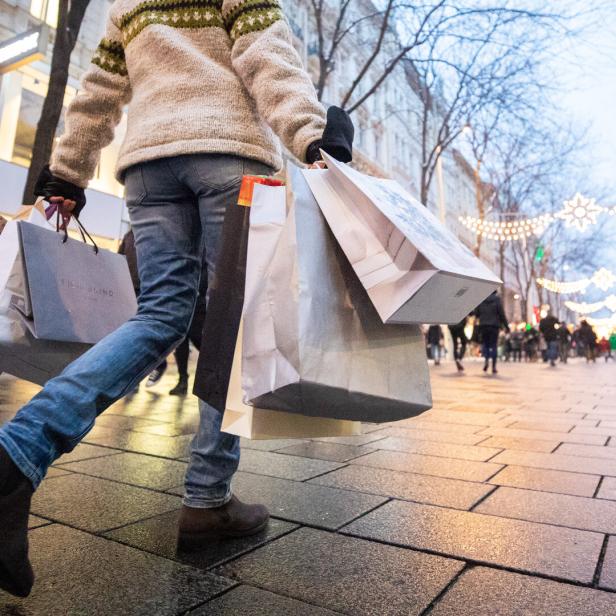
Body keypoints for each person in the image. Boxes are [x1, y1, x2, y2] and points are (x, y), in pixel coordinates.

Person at [0, 0, 354, 598]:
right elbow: (265, 56)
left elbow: (99, 89)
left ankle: (17, 451)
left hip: (148, 167)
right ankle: (208, 496)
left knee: (159, 315)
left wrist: (67, 173)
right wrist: (310, 137)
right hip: (229, 154)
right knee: (234, 324)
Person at [473, 291, 509, 374]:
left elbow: (476, 313)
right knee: (493, 345)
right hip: (494, 326)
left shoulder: (481, 299)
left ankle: (486, 361)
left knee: (485, 344)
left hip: (484, 325)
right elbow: (501, 314)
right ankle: (494, 366)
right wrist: (506, 326)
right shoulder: (497, 299)